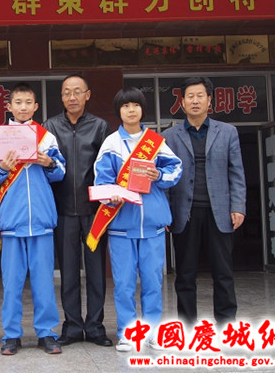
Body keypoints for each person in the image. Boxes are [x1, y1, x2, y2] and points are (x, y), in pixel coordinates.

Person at [93, 87, 182, 352]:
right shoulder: (111, 143)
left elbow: (176, 168)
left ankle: (153, 332)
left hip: (152, 225)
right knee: (124, 284)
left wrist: (159, 176)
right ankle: (127, 333)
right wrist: (111, 196)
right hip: (122, 226)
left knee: (153, 282)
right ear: (118, 111)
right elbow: (101, 180)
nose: (131, 110)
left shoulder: (156, 142)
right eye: (125, 106)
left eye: (135, 105)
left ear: (142, 109)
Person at [0, 82, 66, 356]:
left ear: (36, 106)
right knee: (12, 284)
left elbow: (61, 173)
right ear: (9, 106)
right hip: (12, 222)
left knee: (44, 283)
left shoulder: (46, 138)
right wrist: (2, 167)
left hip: (41, 220)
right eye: (18, 102)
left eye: (28, 102)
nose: (23, 107)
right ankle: (12, 335)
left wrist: (48, 163)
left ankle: (47, 333)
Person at [162, 77, 246, 326]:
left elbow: (236, 172)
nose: (195, 101)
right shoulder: (169, 136)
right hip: (184, 212)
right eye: (190, 96)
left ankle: (227, 325)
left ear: (210, 100)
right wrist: (166, 212)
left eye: (200, 96)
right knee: (185, 274)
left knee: (223, 273)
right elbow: (165, 176)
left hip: (219, 211)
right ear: (182, 102)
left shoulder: (228, 132)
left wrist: (238, 206)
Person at [43, 74, 112, 347]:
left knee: (96, 273)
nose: (72, 97)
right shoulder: (50, 126)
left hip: (94, 211)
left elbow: (107, 166)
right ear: (61, 97)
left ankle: (95, 327)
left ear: (87, 95)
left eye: (77, 92)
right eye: (66, 92)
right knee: (68, 273)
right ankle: (72, 327)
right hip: (63, 211)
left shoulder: (100, 126)